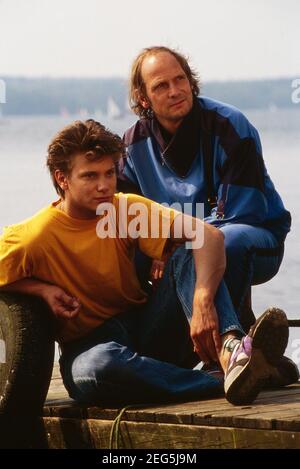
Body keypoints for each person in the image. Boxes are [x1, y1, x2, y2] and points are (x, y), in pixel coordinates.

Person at [0, 119, 291, 406]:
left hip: (146, 328)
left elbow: (209, 236)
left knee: (189, 249)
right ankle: (227, 380)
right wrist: (40, 290)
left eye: (109, 173)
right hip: (91, 347)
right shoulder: (33, 236)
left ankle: (231, 350)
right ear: (62, 178)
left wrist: (202, 301)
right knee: (100, 369)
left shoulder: (124, 208)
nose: (104, 186)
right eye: (90, 176)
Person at [119, 46, 292, 330]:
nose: (175, 90)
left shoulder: (230, 125)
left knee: (222, 242)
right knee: (122, 249)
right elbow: (127, 216)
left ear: (190, 81)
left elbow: (241, 212)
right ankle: (144, 340)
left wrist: (173, 243)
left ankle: (228, 347)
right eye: (161, 86)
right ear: (143, 98)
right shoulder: (132, 145)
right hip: (178, 245)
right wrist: (157, 248)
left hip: (254, 238)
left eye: (180, 79)